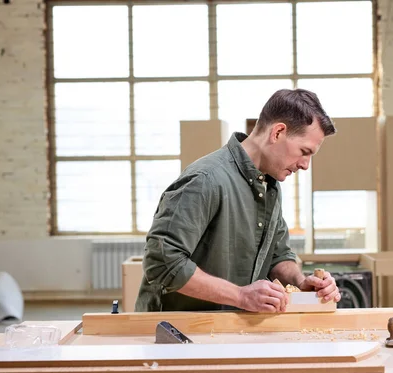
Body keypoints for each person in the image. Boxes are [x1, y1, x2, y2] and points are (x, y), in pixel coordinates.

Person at [135, 88, 341, 313]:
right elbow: (162, 263)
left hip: (229, 329)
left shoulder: (269, 185)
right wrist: (241, 296)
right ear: (278, 132)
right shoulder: (205, 180)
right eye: (304, 151)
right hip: (176, 332)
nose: (305, 165)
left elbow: (277, 255)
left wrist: (301, 281)